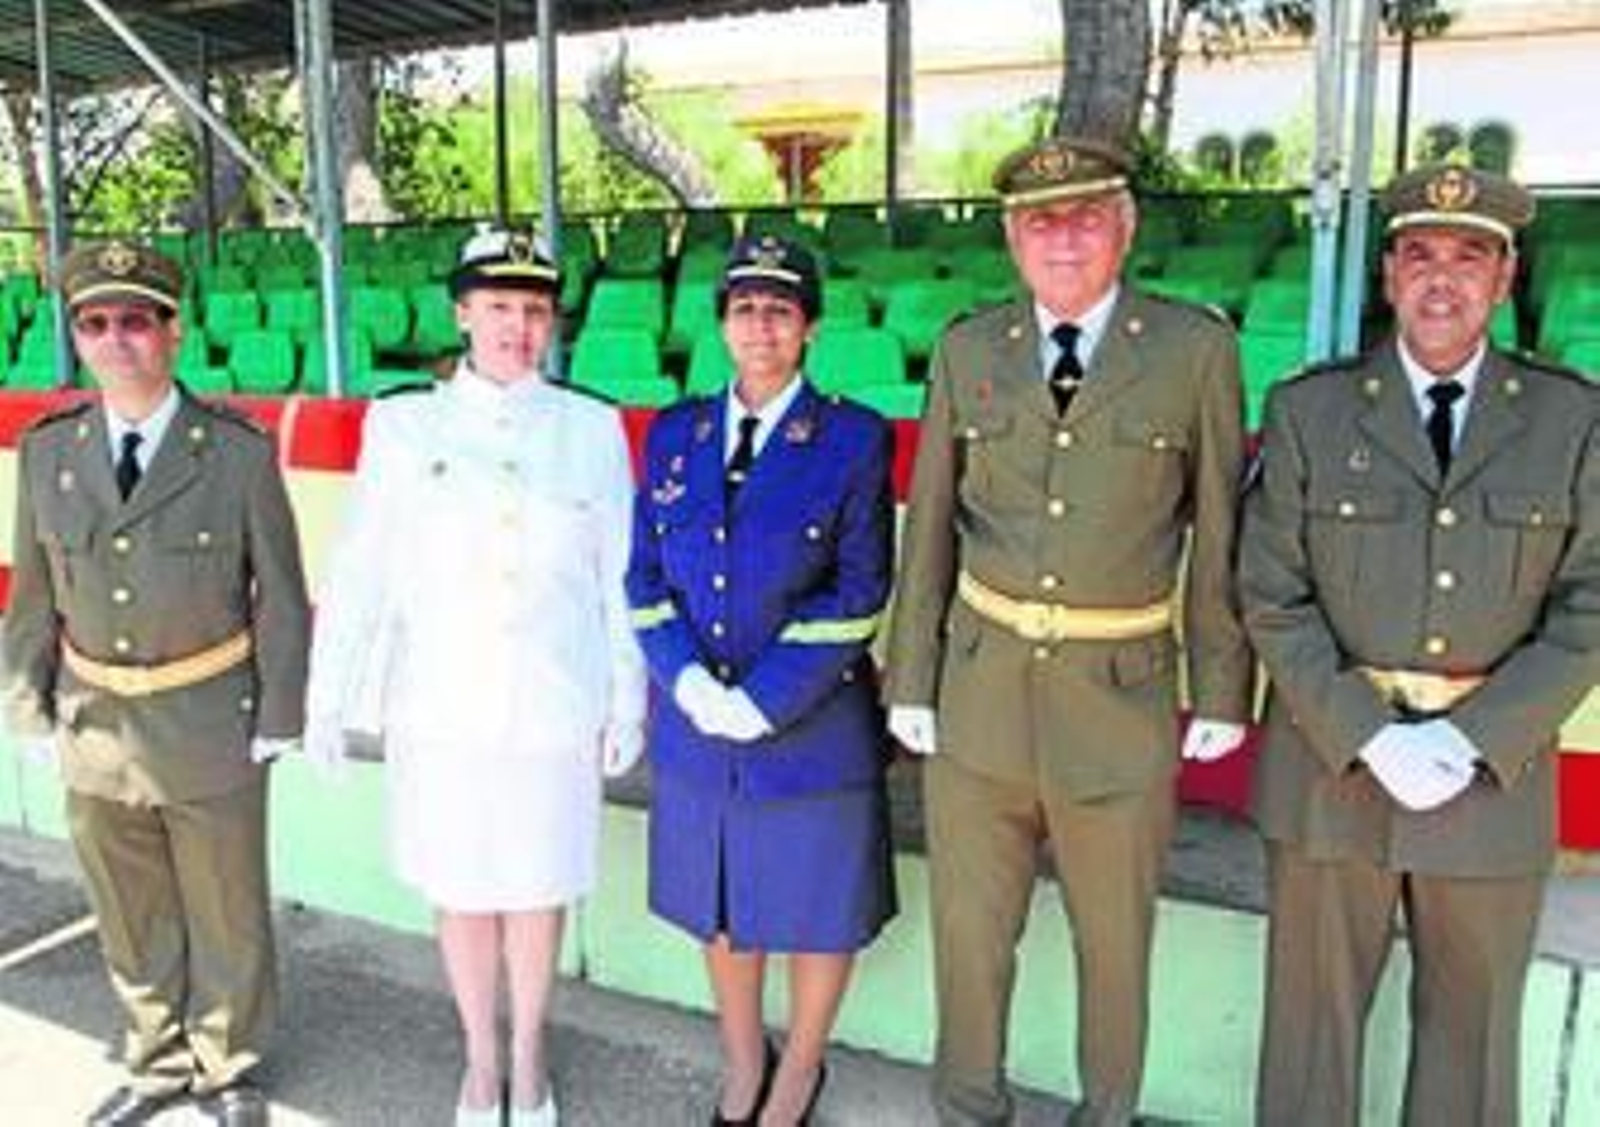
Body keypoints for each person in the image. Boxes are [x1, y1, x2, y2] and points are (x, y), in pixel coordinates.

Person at [882, 136, 1255, 1126]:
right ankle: (968, 1107)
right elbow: (931, 524)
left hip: (1118, 698)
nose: (1062, 238)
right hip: (981, 694)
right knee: (970, 939)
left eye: (1086, 216)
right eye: (1040, 221)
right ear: (1012, 238)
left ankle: (1107, 1113)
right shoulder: (969, 348)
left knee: (1115, 944)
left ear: (1124, 228)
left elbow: (1221, 529)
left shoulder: (1193, 350)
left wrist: (1222, 688)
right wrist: (909, 677)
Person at [1239, 164, 1600, 1125]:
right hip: (1331, 768)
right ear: (1389, 275)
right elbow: (1269, 593)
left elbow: (1591, 605)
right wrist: (1370, 732)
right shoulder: (1309, 411)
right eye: (1420, 254)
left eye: (1469, 256)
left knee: (1471, 1049)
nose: (1442, 278)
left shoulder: (1573, 419)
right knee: (1309, 1041)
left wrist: (1472, 737)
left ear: (1505, 277)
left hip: (1491, 778)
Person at [303, 227, 646, 1127]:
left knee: (537, 887)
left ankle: (528, 1052)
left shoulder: (591, 428)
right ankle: (480, 1058)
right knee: (460, 890)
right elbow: (362, 566)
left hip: (554, 703)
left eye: (535, 309)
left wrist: (628, 697)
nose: (517, 327)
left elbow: (619, 576)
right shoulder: (404, 425)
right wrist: (327, 697)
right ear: (462, 313)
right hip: (441, 706)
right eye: (498, 306)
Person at [0, 241, 311, 1127]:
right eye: (95, 323)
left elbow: (281, 593)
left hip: (210, 714)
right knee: (127, 905)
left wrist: (280, 709)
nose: (116, 339)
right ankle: (156, 1056)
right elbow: (33, 591)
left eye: (135, 320)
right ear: (76, 337)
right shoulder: (49, 451)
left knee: (226, 903)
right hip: (94, 717)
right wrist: (28, 703)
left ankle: (228, 1063)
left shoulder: (235, 452)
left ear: (174, 331)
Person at [627, 235, 897, 1127]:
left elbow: (860, 587)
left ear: (810, 326)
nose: (761, 326)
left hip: (812, 726)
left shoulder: (853, 437)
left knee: (819, 911)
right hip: (698, 725)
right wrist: (688, 684)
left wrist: (761, 698)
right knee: (722, 905)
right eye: (743, 308)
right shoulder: (676, 433)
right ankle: (745, 1061)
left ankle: (799, 1073)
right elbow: (644, 577)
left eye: (781, 310)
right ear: (721, 324)